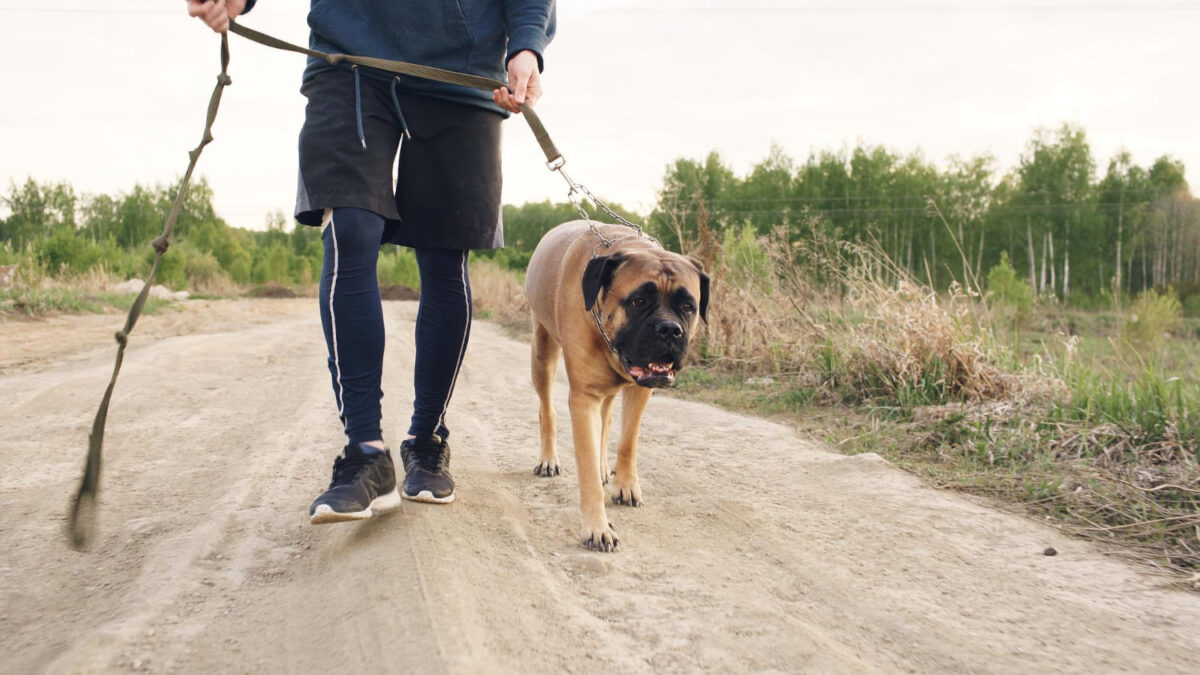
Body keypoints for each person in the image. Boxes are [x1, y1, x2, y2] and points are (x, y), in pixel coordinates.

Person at [187, 0, 556, 523]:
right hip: (349, 59)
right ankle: (365, 452)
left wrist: (526, 44)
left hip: (463, 70)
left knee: (445, 257)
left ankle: (426, 436)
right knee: (351, 231)